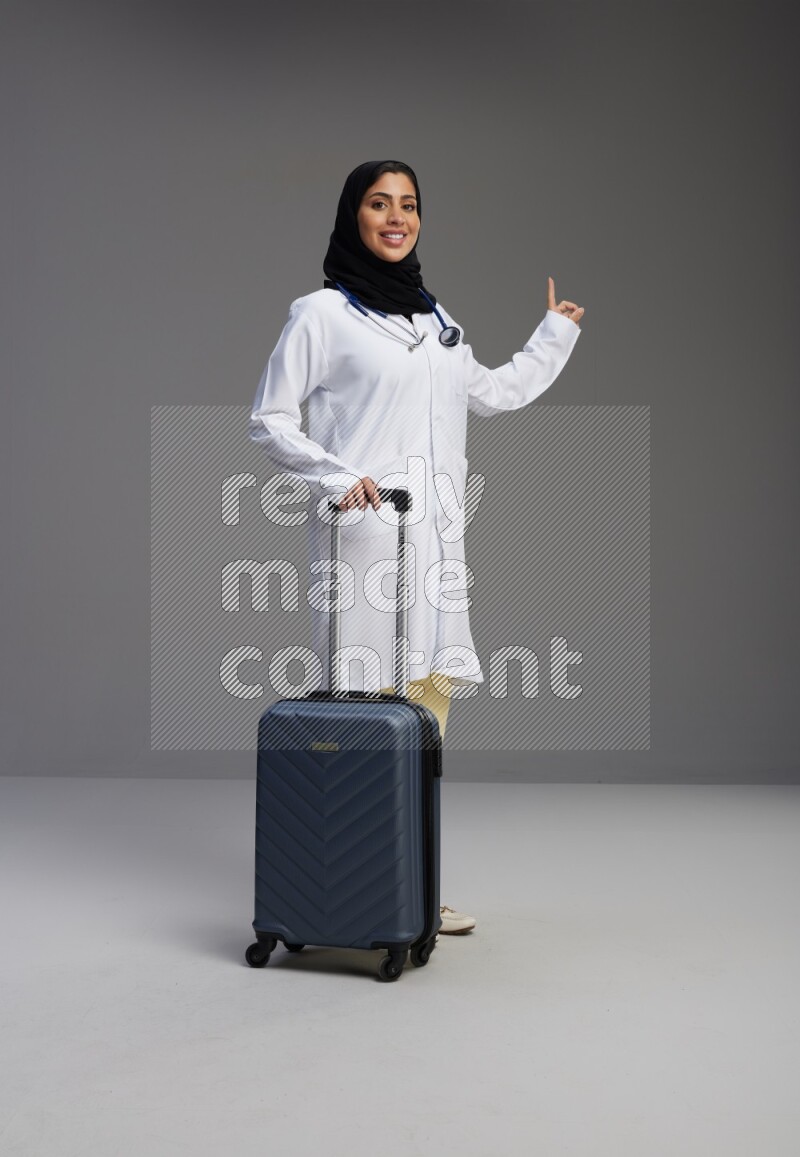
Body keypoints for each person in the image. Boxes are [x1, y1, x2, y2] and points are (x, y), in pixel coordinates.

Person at [249, 159, 584, 935]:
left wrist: (553, 335)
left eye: (408, 205)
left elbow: (492, 393)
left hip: (436, 542)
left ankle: (411, 886)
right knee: (364, 707)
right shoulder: (322, 314)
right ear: (352, 215)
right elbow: (269, 418)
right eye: (378, 203)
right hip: (366, 539)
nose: (395, 217)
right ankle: (351, 889)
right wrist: (337, 475)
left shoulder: (436, 321)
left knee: (426, 709)